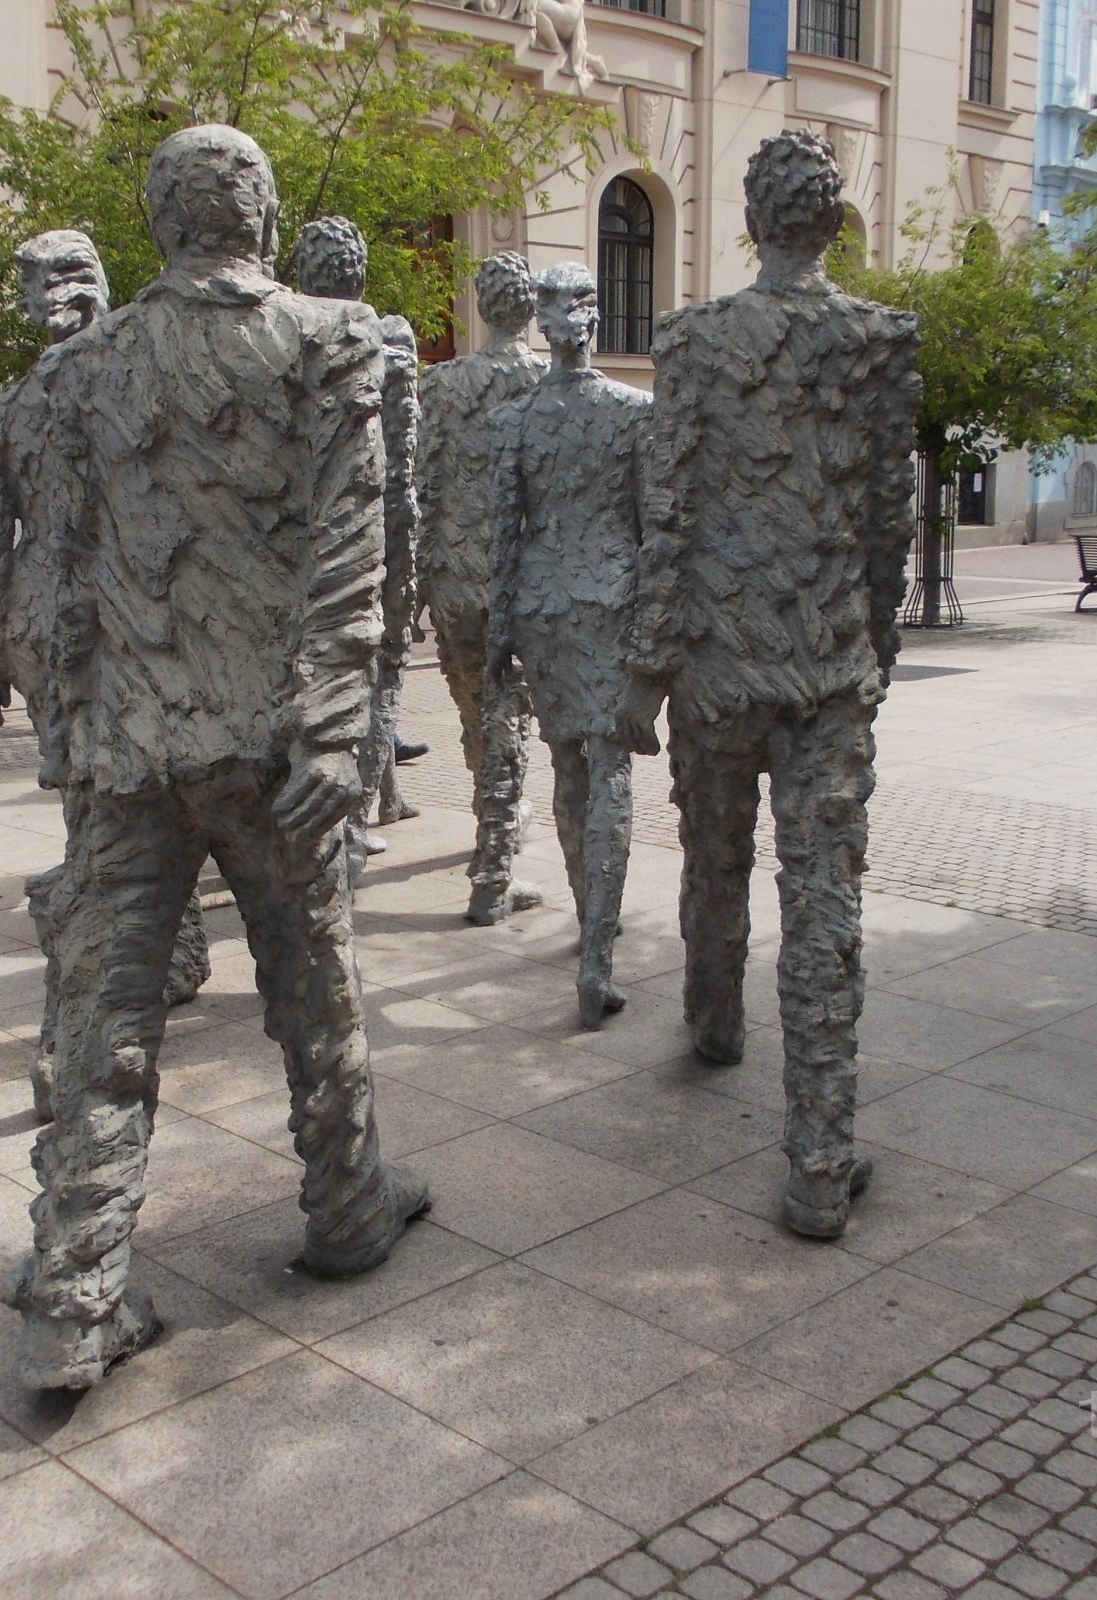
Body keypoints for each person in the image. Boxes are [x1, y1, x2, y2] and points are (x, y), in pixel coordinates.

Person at [1, 125, 428, 1390]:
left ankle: (75, 1297)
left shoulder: (82, 366)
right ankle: (344, 1206)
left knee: (107, 1010)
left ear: (156, 221)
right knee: (315, 982)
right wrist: (339, 726)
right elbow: (352, 548)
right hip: (272, 744)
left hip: (131, 747)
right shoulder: (332, 338)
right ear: (265, 212)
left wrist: (73, 738)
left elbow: (58, 571)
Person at [629, 130, 921, 1240]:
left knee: (713, 856)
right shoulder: (878, 339)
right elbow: (887, 516)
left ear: (751, 221)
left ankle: (713, 1022)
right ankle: (819, 1161)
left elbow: (667, 512)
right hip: (825, 664)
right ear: (833, 225)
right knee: (823, 901)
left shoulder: (692, 339)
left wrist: (649, 663)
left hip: (716, 661)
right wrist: (874, 640)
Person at [0, 230, 209, 1123]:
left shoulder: (154, 387)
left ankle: (172, 947)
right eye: (43, 284)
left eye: (71, 277)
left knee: (150, 798)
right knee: (96, 824)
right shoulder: (9, 412)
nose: (57, 299)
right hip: (66, 638)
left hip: (146, 622)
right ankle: (78, 1031)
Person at [483, 262, 655, 1026]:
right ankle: (595, 959)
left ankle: (592, 927)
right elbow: (654, 531)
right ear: (591, 318)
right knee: (610, 769)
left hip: (543, 606)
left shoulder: (514, 420)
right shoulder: (634, 412)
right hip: (611, 603)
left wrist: (498, 632)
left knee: (566, 766)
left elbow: (503, 538)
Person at [416, 252, 550, 922]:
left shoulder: (441, 385)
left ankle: (493, 818)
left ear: (479, 304)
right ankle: (494, 871)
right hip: (522, 581)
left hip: (456, 578)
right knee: (507, 719)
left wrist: (420, 577)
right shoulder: (548, 382)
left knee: (479, 711)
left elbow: (421, 483)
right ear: (530, 310)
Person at [292, 217, 422, 863]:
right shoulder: (385, 347)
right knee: (375, 682)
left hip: (291, 551)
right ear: (361, 275)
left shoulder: (275, 340)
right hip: (370, 549)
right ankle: (349, 826)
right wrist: (406, 573)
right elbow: (400, 473)